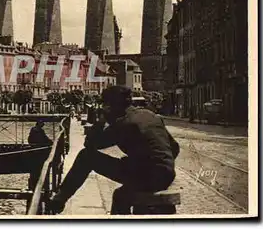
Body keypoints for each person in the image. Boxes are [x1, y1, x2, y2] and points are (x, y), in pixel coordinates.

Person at [49, 85, 180, 214]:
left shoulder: (123, 123)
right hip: (167, 175)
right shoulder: (150, 115)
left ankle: (60, 199)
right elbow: (175, 148)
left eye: (105, 105)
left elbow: (90, 144)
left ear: (111, 106)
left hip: (149, 177)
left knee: (86, 157)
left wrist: (102, 119)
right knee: (120, 194)